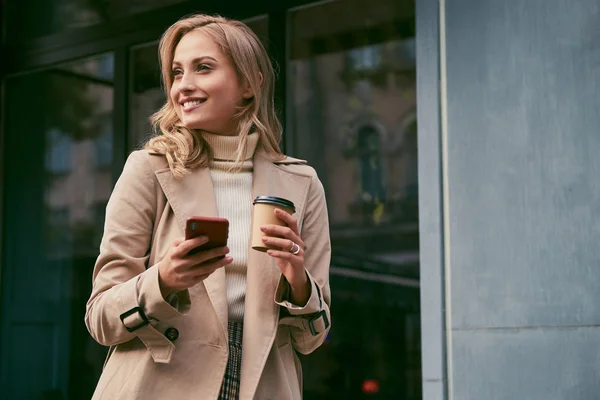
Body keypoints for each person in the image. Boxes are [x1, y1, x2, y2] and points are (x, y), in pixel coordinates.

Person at [84, 13, 331, 400]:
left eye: (203, 68)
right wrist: (164, 279)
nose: (184, 86)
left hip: (262, 383)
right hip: (156, 385)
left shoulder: (301, 183)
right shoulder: (149, 169)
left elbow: (312, 339)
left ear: (249, 84)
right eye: (177, 73)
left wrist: (298, 281)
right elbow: (100, 319)